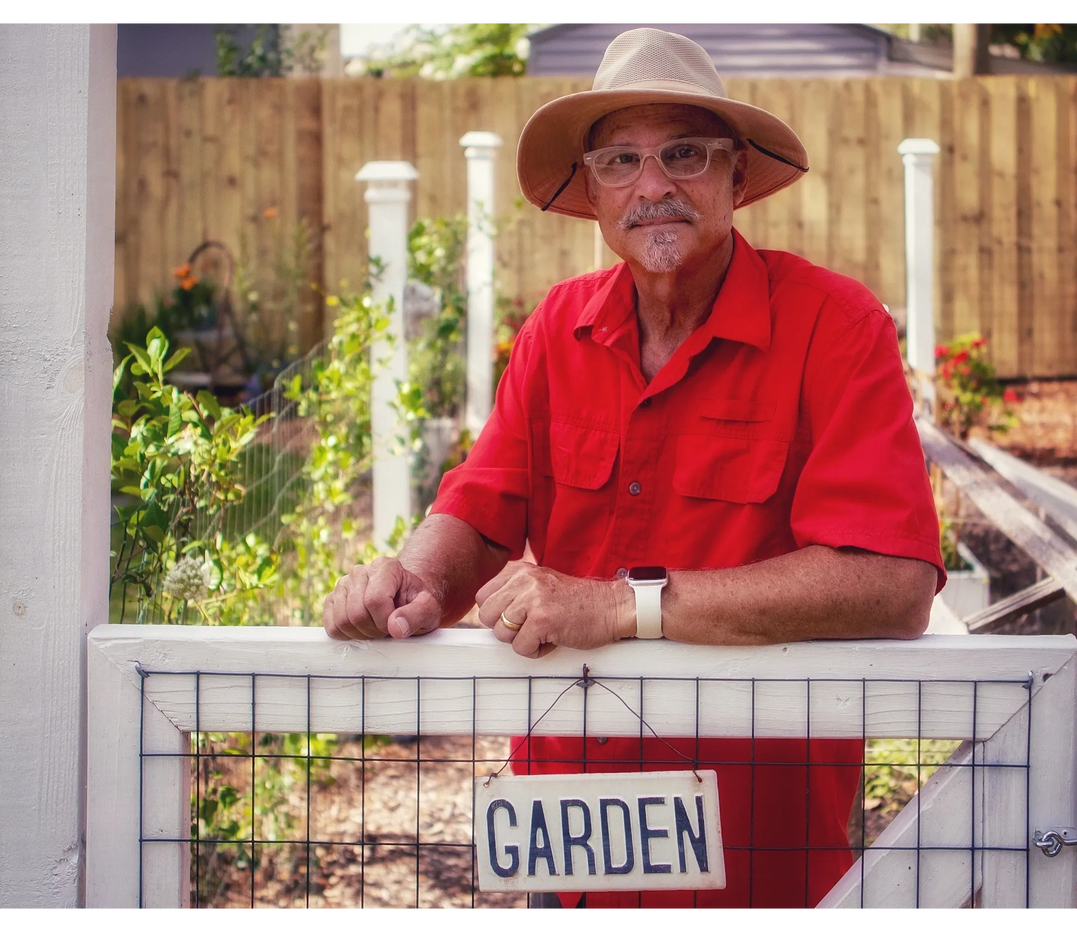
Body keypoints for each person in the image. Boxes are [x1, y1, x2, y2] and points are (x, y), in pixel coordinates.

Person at [322, 28, 944, 911]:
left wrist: (620, 605)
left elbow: (892, 582)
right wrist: (411, 579)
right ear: (594, 194)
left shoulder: (835, 330)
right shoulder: (554, 331)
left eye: (684, 153)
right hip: (562, 845)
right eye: (621, 161)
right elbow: (481, 509)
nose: (653, 185)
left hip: (752, 854)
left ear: (737, 179)